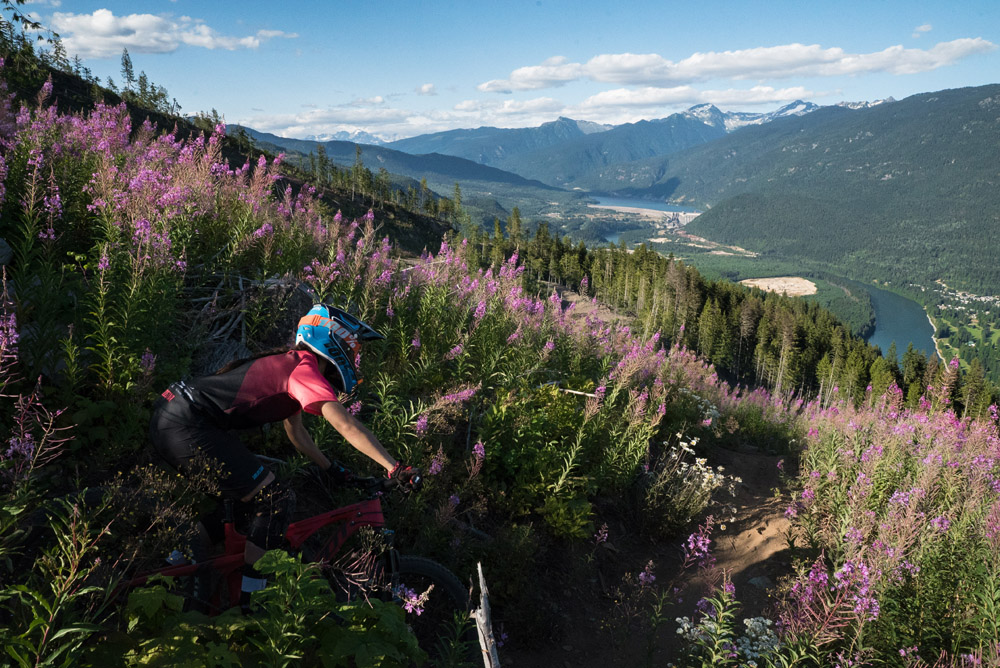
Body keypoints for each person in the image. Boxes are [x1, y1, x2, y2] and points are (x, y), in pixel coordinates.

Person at [149, 304, 421, 609]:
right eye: (354, 350)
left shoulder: (293, 364)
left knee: (248, 503)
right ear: (334, 341)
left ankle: (169, 567)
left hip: (176, 416)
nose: (355, 358)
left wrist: (332, 469)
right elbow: (346, 424)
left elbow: (296, 432)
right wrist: (395, 467)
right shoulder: (304, 369)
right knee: (275, 498)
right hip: (188, 424)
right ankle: (252, 603)